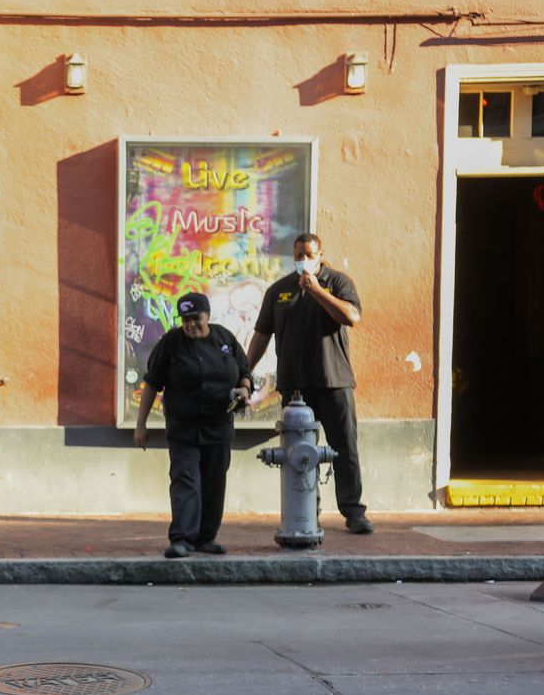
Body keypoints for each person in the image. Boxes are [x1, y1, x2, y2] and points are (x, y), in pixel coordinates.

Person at [244, 233, 372, 533]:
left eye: (309, 255)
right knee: (300, 451)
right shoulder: (278, 291)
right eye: (298, 255)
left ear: (320, 255)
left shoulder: (338, 282)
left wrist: (316, 290)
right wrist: (244, 372)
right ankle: (306, 508)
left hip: (334, 381)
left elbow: (352, 317)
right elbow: (261, 335)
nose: (303, 261)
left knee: (344, 448)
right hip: (295, 386)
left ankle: (354, 512)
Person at [135, 292, 251, 557]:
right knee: (186, 481)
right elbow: (152, 383)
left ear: (208, 316)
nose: (191, 325)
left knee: (213, 482)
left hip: (218, 426)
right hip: (183, 427)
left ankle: (206, 537)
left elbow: (244, 372)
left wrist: (243, 390)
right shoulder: (171, 344)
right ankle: (182, 539)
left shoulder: (225, 339)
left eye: (196, 319)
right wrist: (140, 425)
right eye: (185, 320)